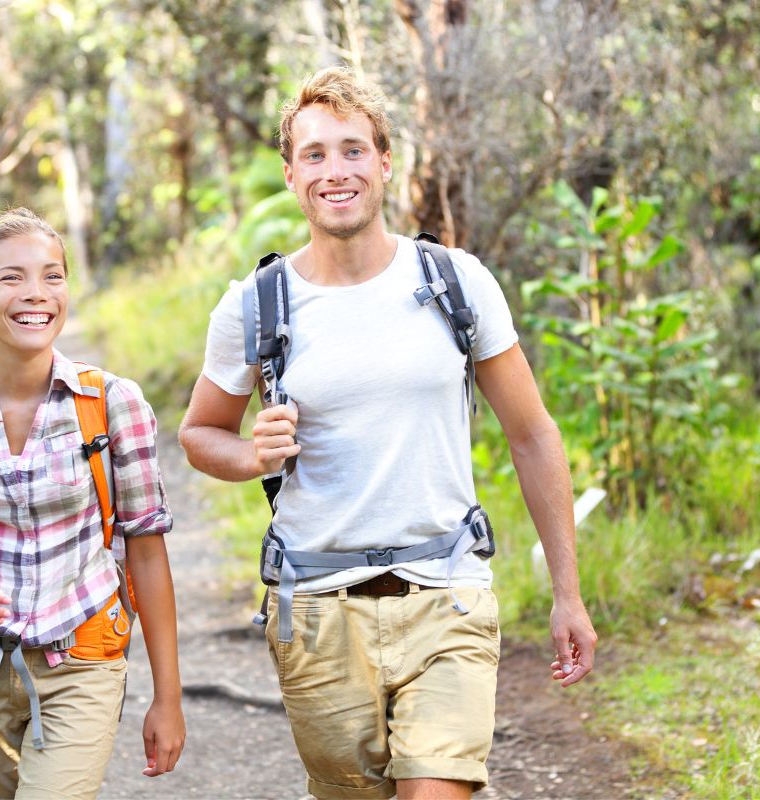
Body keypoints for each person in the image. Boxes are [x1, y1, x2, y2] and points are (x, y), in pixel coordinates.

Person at [178, 68, 598, 800]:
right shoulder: (255, 305)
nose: (334, 171)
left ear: (383, 161)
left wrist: (569, 592)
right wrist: (252, 454)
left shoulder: (454, 281)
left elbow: (531, 434)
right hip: (314, 608)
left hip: (448, 592)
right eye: (314, 155)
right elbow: (199, 434)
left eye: (351, 150)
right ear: (290, 174)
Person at [0, 207, 185, 799]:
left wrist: (168, 699)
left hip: (81, 658)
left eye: (53, 276)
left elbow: (147, 554)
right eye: (13, 278)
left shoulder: (110, 403)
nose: (37, 294)